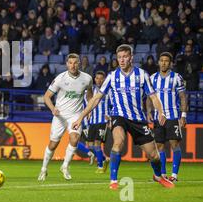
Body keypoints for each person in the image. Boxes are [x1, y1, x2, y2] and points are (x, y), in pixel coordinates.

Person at [71, 44, 174, 190]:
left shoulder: (142, 75)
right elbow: (95, 99)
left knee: (154, 155)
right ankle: (113, 180)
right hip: (118, 116)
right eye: (119, 57)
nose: (122, 60)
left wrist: (161, 112)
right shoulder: (112, 77)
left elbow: (154, 97)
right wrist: (81, 117)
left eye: (125, 57)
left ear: (131, 58)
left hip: (138, 119)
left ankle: (158, 176)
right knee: (118, 143)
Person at [38, 53, 93, 182]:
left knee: (74, 138)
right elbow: (46, 97)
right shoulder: (60, 79)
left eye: (75, 63)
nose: (73, 65)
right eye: (70, 63)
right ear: (67, 64)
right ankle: (44, 169)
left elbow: (89, 95)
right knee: (53, 144)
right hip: (60, 115)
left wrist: (89, 110)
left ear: (79, 63)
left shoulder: (87, 78)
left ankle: (65, 166)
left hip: (76, 115)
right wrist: (53, 109)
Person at [148, 52, 187, 182]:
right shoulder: (153, 78)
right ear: (158, 62)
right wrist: (148, 112)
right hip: (159, 117)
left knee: (174, 143)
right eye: (161, 60)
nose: (164, 63)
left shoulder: (177, 77)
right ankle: (163, 175)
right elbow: (149, 97)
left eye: (166, 61)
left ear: (170, 63)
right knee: (159, 146)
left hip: (173, 116)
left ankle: (174, 175)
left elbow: (182, 97)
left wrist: (183, 115)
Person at [83, 71, 111, 173]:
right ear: (94, 79)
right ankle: (104, 159)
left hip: (102, 121)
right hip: (92, 121)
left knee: (97, 144)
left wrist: (110, 116)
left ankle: (100, 166)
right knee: (90, 145)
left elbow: (114, 105)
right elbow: (87, 104)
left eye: (101, 78)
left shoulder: (108, 92)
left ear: (104, 80)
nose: (99, 80)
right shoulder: (91, 92)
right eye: (97, 78)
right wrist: (88, 113)